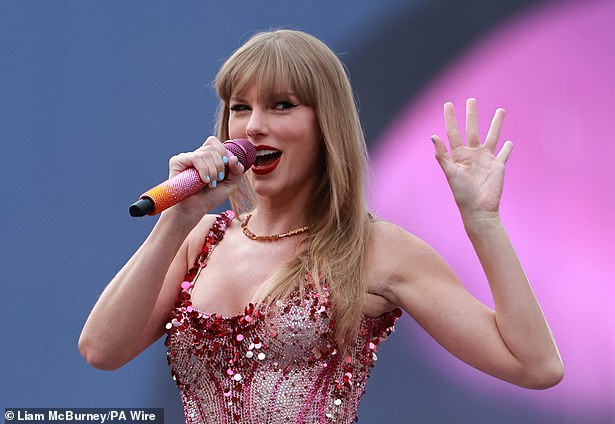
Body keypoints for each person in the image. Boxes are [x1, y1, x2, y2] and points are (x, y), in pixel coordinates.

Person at [78, 29, 563, 423]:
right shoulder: (199, 240)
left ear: (324, 124)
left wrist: (482, 221)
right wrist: (179, 218)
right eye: (240, 107)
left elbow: (535, 366)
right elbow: (101, 349)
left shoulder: (376, 249)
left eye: (281, 106)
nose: (253, 127)